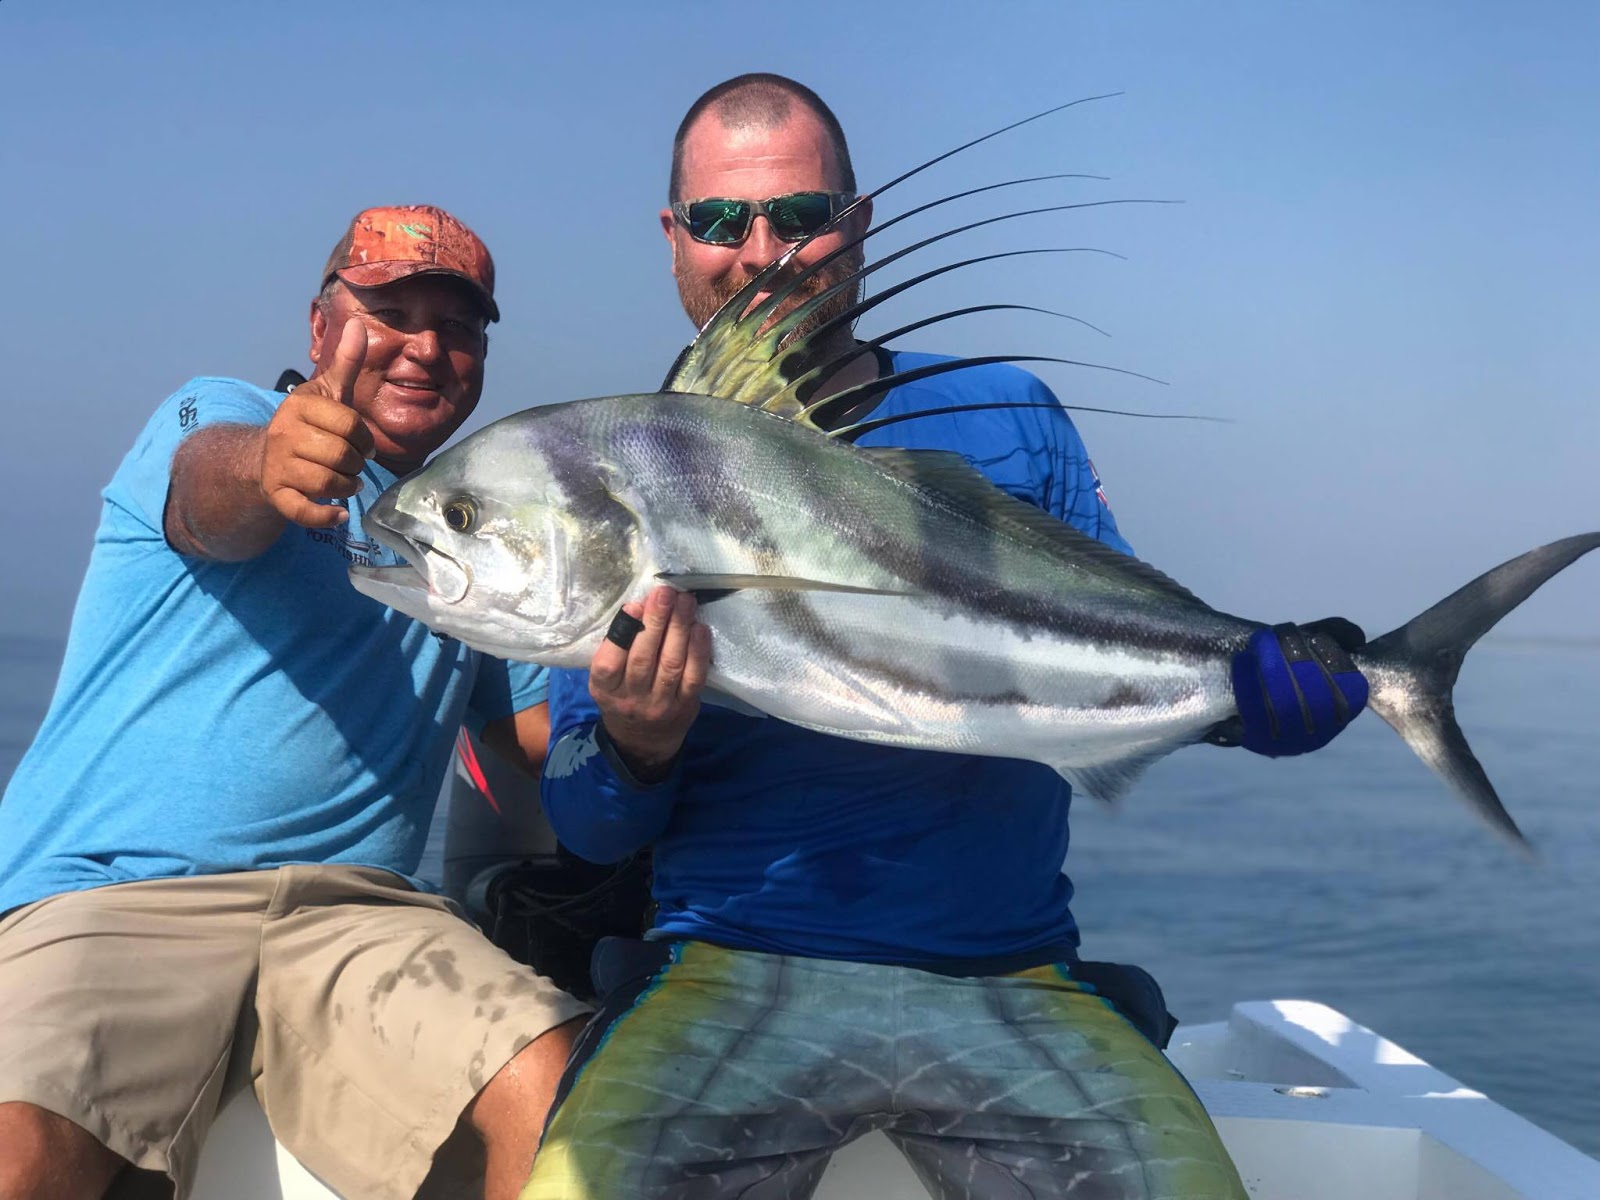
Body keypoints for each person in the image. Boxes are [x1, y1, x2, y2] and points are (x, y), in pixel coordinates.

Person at [521, 77, 1367, 1200]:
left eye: (802, 215)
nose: (762, 254)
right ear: (674, 236)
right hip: (726, 975)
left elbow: (1111, 642)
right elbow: (589, 823)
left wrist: (1239, 700)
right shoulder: (613, 471)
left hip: (1010, 974)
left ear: (858, 222)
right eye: (723, 220)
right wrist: (636, 745)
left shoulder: (1008, 414)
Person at [0, 206, 589, 1200]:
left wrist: (656, 696)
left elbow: (537, 735)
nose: (425, 348)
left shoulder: (470, 539)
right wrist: (271, 465)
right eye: (390, 314)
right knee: (18, 1145)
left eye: (457, 327)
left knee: (563, 1093)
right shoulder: (214, 414)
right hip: (116, 900)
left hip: (360, 916)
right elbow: (211, 498)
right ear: (321, 328)